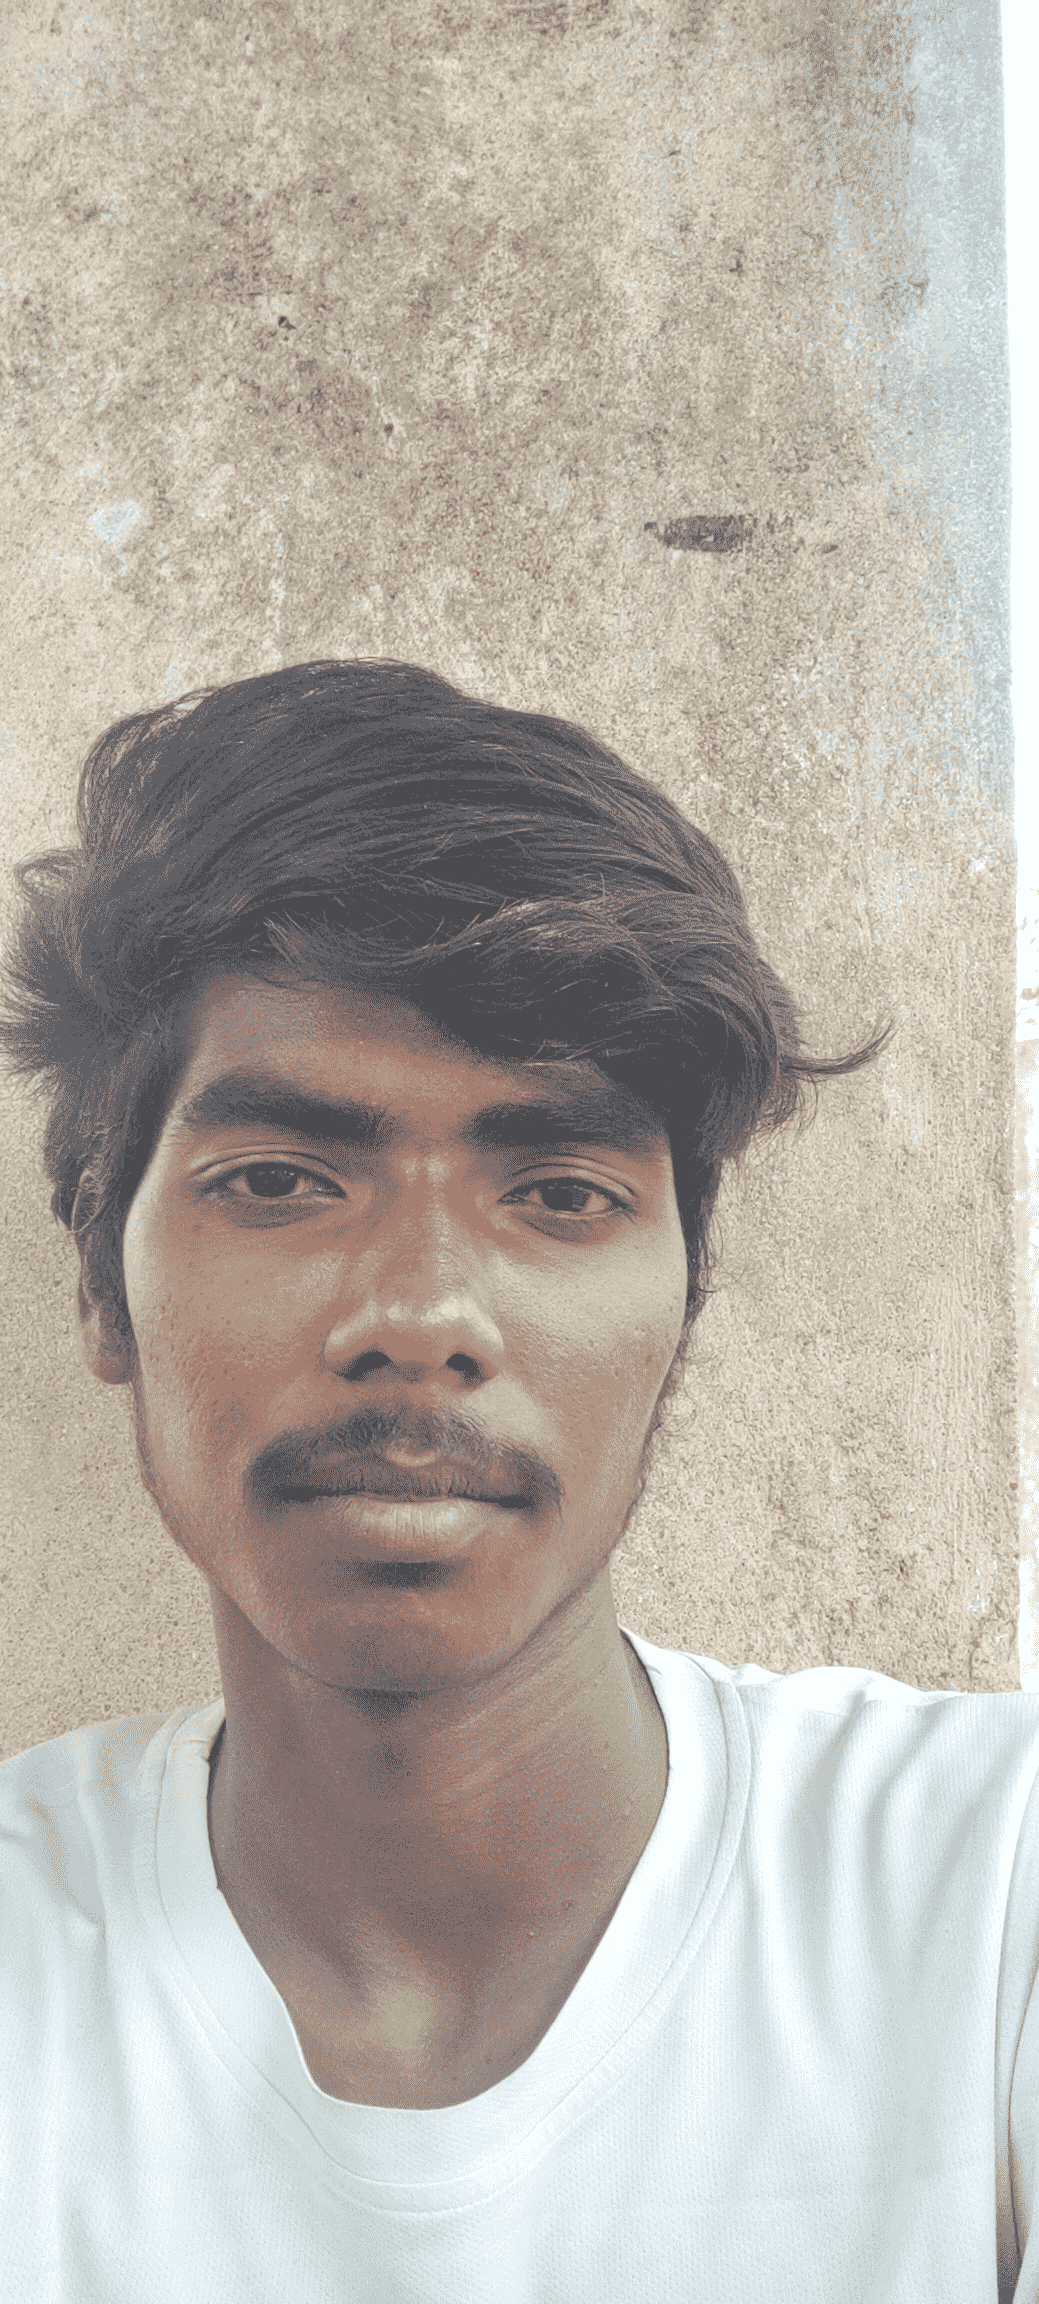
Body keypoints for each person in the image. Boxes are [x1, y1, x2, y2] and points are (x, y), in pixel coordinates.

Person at [0, 658, 1034, 2302]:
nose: (417, 1315)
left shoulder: (989, 1897)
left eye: (558, 1192)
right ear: (100, 1287)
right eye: (278, 1179)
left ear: (685, 1308)